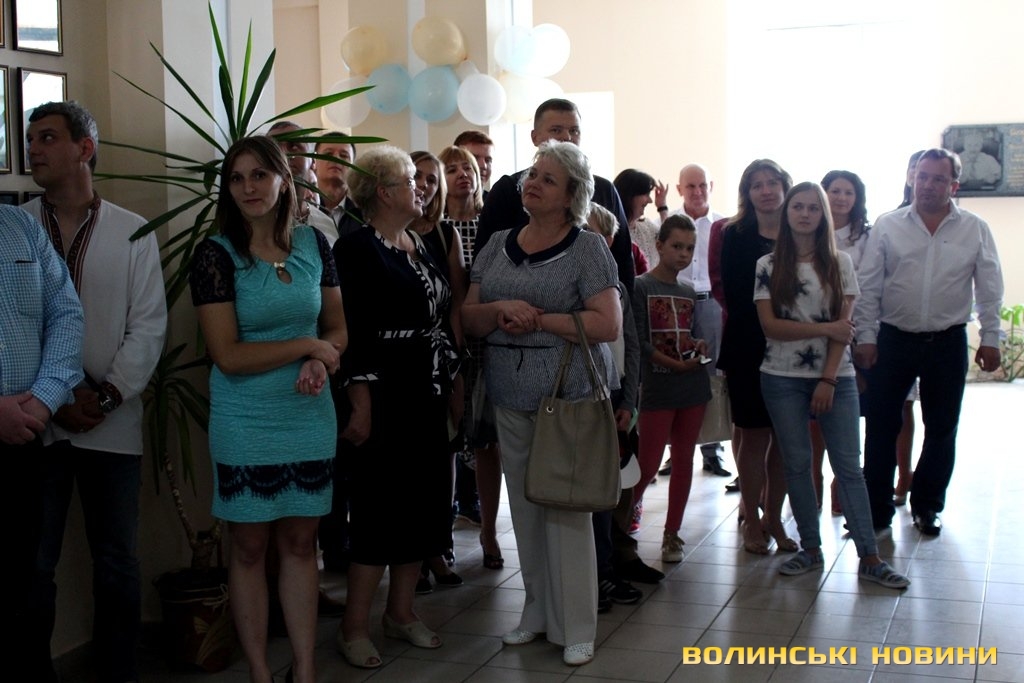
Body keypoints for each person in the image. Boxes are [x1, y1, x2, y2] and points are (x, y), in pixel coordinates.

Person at [190, 136, 347, 683]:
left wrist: (321, 360)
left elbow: (337, 328)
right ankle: (260, 672)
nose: (248, 187)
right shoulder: (215, 255)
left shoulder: (314, 244)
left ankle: (304, 669)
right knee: (250, 547)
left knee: (302, 544)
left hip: (308, 412)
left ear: (284, 179)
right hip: (245, 417)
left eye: (259, 175)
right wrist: (306, 346)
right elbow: (228, 355)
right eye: (236, 178)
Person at [462, 140, 621, 666]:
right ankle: (535, 612)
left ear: (572, 194)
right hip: (508, 394)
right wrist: (501, 309)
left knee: (566, 510)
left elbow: (607, 323)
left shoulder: (588, 248)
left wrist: (538, 318)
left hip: (567, 398)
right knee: (526, 509)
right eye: (533, 175)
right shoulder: (497, 243)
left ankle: (576, 625)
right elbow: (469, 317)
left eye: (548, 179)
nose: (532, 184)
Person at [24, 100, 167, 683]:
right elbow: (10, 327)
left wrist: (106, 396)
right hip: (35, 423)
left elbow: (148, 326)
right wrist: (53, 398)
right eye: (31, 138)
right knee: (33, 564)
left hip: (112, 422)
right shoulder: (14, 227)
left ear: (85, 148)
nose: (34, 148)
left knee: (116, 559)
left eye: (48, 137)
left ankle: (117, 672)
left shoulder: (132, 230)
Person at [334, 145, 460, 669]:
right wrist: (360, 403)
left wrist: (452, 383)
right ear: (384, 192)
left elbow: (440, 317)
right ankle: (353, 626)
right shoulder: (356, 248)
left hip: (426, 388)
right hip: (384, 392)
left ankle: (401, 612)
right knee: (379, 510)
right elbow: (354, 331)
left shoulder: (419, 242)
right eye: (412, 180)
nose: (422, 187)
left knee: (424, 503)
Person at [755, 182, 910, 589]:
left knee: (849, 468)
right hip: (781, 376)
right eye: (798, 207)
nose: (805, 214)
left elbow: (846, 330)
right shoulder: (768, 264)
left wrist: (827, 378)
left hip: (835, 377)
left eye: (813, 208)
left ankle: (870, 556)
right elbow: (771, 327)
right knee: (797, 464)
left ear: (823, 215)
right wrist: (826, 329)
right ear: (787, 213)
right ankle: (810, 548)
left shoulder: (840, 263)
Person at [854, 148, 1003, 536]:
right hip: (893, 340)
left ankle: (927, 506)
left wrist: (991, 338)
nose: (928, 185)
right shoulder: (888, 225)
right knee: (881, 426)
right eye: (922, 176)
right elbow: (868, 286)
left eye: (938, 179)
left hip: (947, 342)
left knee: (941, 428)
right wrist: (866, 336)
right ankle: (876, 510)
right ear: (911, 178)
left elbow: (990, 288)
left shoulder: (974, 228)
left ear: (954, 186)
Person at [1, 205, 84, 683]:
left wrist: (45, 399)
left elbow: (66, 313)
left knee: (27, 585)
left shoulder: (20, 227)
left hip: (25, 441)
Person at [715, 159, 795, 554]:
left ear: (784, 186)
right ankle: (750, 516)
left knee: (785, 437)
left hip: (795, 346)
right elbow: (734, 294)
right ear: (747, 193)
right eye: (757, 184)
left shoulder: (799, 230)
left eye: (772, 183)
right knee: (753, 434)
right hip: (749, 345)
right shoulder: (735, 233)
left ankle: (774, 518)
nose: (766, 190)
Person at [474, 98, 635, 292]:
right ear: (535, 137)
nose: (567, 137)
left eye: (574, 131)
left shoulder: (604, 189)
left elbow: (623, 261)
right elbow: (483, 263)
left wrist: (621, 302)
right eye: (556, 130)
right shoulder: (510, 189)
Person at [438, 145, 506, 569]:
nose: (463, 173)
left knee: (487, 444)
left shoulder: (490, 224)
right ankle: (439, 535)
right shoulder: (434, 227)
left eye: (468, 166)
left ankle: (489, 532)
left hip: (487, 343)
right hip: (447, 345)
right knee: (446, 442)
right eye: (451, 168)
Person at [630, 215, 712, 563]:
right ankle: (619, 522)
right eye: (677, 246)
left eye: (689, 248)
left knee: (683, 460)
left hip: (692, 386)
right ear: (660, 245)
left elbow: (688, 335)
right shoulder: (641, 287)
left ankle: (672, 532)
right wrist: (671, 364)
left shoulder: (689, 292)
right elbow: (639, 339)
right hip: (658, 387)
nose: (683, 254)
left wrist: (698, 346)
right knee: (648, 464)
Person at [408, 149, 465, 592]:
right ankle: (413, 555)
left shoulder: (446, 234)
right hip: (402, 359)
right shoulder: (383, 234)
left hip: (442, 355)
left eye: (432, 179)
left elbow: (458, 303)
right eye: (418, 177)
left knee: (444, 457)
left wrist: (458, 364)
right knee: (411, 463)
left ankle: (438, 546)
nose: (425, 185)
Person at [584, 202, 645, 611]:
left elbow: (632, 346)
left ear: (608, 241)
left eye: (594, 235)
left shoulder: (620, 288)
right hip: (585, 396)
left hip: (617, 395)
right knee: (590, 493)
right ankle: (595, 573)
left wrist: (630, 400)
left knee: (614, 490)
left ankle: (608, 567)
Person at [813, 169, 872, 515]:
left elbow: (871, 287)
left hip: (859, 333)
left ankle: (842, 485)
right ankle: (815, 484)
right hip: (817, 335)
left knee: (849, 419)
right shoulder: (809, 233)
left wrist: (864, 337)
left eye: (848, 192)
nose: (841, 198)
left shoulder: (867, 237)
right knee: (815, 418)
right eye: (835, 191)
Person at [670, 163, 731, 479]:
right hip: (675, 305)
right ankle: (676, 450)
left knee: (711, 375)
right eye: (691, 186)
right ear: (679, 189)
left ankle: (712, 450)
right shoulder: (666, 224)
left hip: (710, 305)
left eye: (702, 185)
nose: (697, 192)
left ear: (711, 187)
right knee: (675, 372)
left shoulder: (724, 225)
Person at [269, 120, 341, 244]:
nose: (283, 154)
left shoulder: (326, 225)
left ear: (313, 160)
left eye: (293, 146)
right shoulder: (254, 219)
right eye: (274, 148)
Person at [613, 168, 664, 273]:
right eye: (646, 194)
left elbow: (671, 239)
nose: (650, 201)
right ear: (630, 195)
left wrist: (662, 208)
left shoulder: (648, 227)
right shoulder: (610, 231)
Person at [313, 133, 363, 238]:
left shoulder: (364, 212)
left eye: (344, 155)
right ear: (314, 162)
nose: (336, 158)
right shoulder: (303, 207)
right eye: (328, 154)